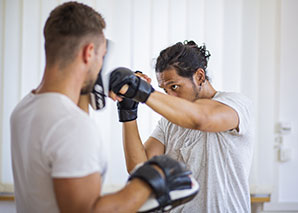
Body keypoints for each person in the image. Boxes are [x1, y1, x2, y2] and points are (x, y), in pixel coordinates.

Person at [10, 2, 199, 213]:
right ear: (88, 52)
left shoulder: (23, 109)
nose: (102, 66)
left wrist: (95, 89)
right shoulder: (72, 126)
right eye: (101, 57)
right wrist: (151, 180)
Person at [109, 41, 254, 212]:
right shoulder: (169, 122)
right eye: (165, 90)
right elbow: (139, 168)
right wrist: (128, 111)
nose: (171, 96)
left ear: (199, 76)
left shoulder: (235, 104)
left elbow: (202, 119)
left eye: (175, 86)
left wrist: (141, 91)